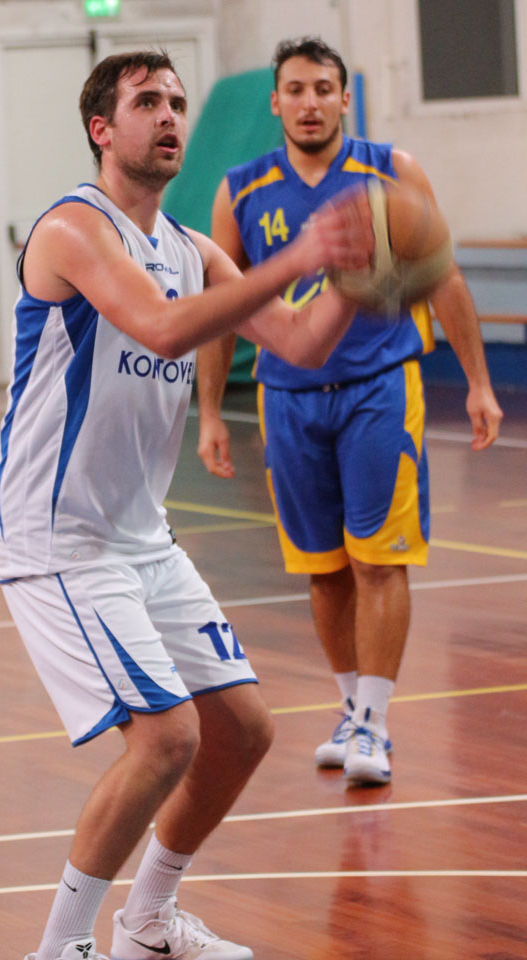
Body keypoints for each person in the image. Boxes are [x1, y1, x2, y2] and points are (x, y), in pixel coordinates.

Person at [0, 50, 374, 960]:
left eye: (176, 101)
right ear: (101, 129)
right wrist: (301, 255)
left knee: (242, 732)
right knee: (165, 740)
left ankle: (148, 922)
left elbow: (297, 341)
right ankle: (61, 947)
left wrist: (361, 278)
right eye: (146, 101)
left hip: (138, 534)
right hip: (57, 534)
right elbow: (161, 328)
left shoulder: (192, 249)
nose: (169, 115)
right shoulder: (71, 229)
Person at [197, 37, 503, 789]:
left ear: (344, 98)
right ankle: (348, 709)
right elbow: (222, 307)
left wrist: (478, 381)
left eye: (322, 88)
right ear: (275, 101)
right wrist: (209, 412)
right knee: (325, 570)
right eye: (295, 89)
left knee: (378, 559)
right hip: (287, 398)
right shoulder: (240, 190)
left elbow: (443, 278)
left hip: (379, 388)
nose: (309, 103)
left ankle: (374, 721)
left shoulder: (392, 174)